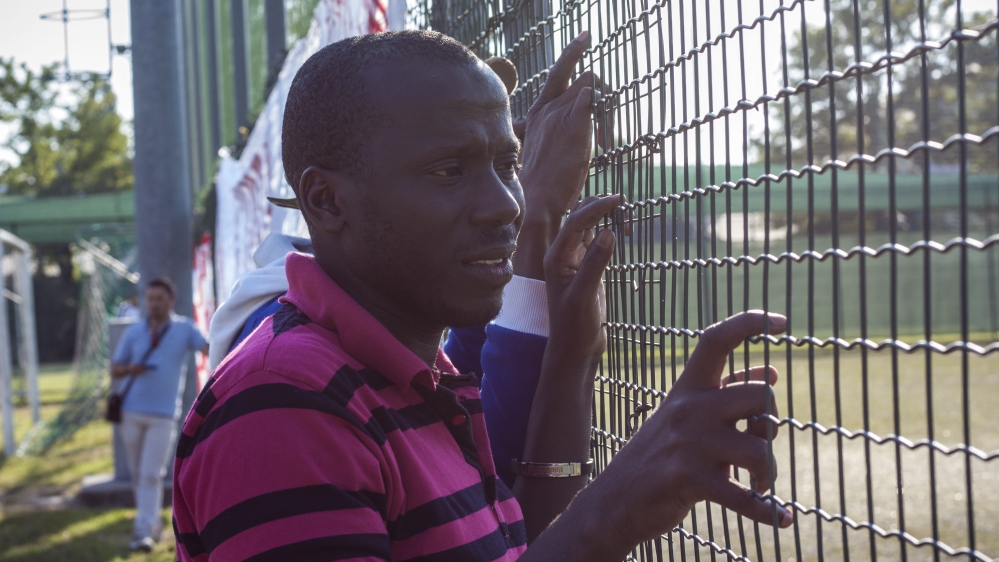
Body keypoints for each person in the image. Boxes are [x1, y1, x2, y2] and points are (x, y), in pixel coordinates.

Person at [174, 30, 791, 561]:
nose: (507, 204)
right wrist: (610, 513)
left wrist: (575, 360)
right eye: (448, 170)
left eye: (508, 163)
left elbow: (514, 543)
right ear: (326, 201)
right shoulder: (286, 403)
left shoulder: (411, 373)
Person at [110, 277, 209, 552]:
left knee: (152, 473)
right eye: (149, 299)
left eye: (159, 299)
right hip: (131, 411)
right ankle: (150, 523)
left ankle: (143, 532)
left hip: (164, 415)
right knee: (137, 474)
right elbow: (114, 369)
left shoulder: (184, 328)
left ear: (171, 301)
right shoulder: (134, 332)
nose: (153, 304)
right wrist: (132, 368)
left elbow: (208, 348)